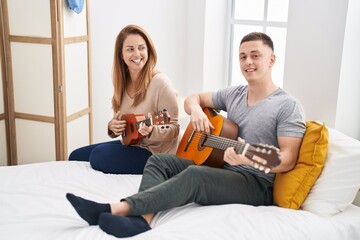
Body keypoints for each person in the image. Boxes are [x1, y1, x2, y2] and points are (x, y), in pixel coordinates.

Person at [66, 32, 306, 238]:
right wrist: (197, 112)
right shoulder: (235, 94)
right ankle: (143, 219)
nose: (248, 62)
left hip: (255, 183)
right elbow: (193, 99)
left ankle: (115, 208)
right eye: (243, 56)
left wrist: (248, 158)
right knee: (159, 160)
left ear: (272, 59)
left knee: (195, 175)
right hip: (223, 168)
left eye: (255, 55)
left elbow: (288, 159)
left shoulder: (287, 105)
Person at [68, 24, 180, 174]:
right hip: (133, 145)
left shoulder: (160, 83)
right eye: (130, 49)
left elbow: (174, 128)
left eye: (141, 48)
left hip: (155, 153)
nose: (137, 54)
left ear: (148, 50)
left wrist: (152, 131)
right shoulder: (123, 81)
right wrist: (112, 127)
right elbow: (123, 121)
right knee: (75, 156)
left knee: (98, 156)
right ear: (121, 54)